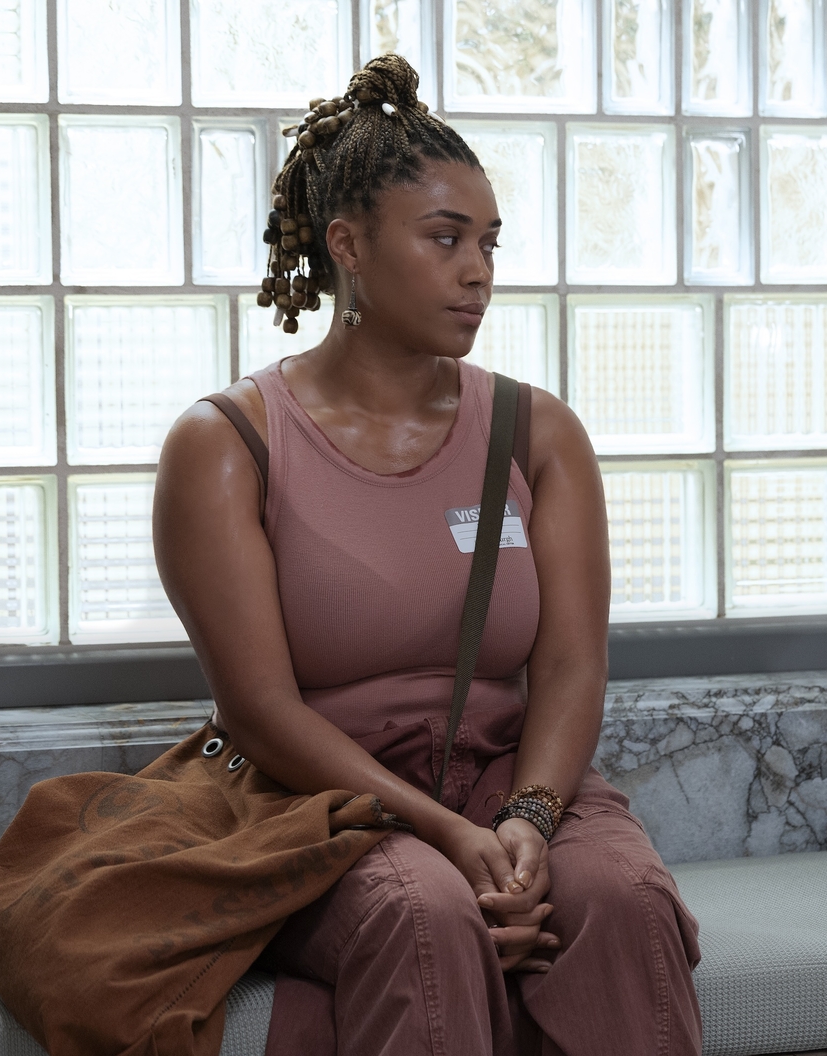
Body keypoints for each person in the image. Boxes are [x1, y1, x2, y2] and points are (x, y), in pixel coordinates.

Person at [153, 55, 701, 1056]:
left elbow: (571, 666)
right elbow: (259, 711)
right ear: (349, 246)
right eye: (446, 238)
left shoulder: (538, 435)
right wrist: (448, 837)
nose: (478, 269)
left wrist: (529, 821)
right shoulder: (226, 445)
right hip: (312, 804)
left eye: (488, 242)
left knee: (623, 898)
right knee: (425, 914)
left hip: (507, 777)